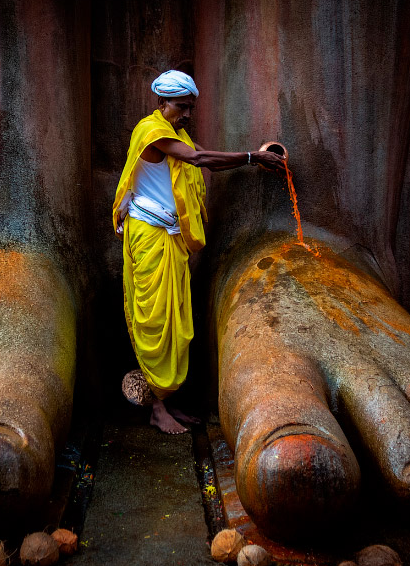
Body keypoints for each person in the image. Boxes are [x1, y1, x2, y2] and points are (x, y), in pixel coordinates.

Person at [112, 70, 286, 433]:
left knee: (174, 322)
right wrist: (253, 158)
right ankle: (157, 408)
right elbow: (199, 159)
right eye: (181, 106)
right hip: (148, 238)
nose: (187, 114)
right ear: (163, 102)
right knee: (156, 321)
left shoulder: (174, 131)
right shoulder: (152, 132)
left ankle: (166, 402)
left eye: (191, 107)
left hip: (170, 238)